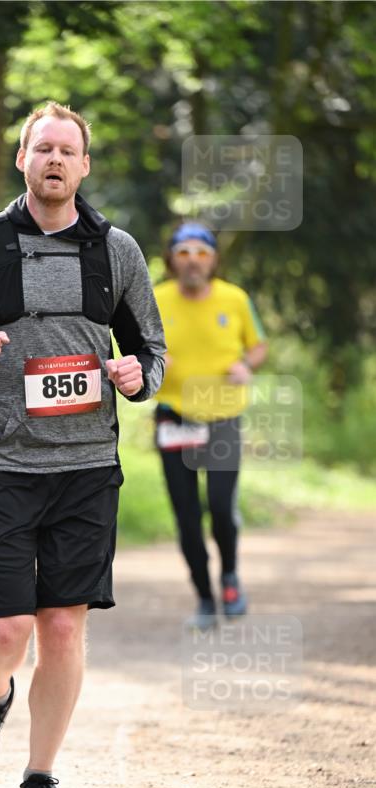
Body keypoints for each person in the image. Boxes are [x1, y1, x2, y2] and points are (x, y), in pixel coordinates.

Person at [0, 101, 166, 788]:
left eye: (67, 150)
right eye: (41, 149)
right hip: (1, 464)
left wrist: (136, 379)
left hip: (86, 469)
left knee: (61, 628)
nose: (54, 160)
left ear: (84, 166)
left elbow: (151, 350)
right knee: (5, 632)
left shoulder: (115, 251)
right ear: (21, 160)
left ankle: (40, 779)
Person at [153, 222, 268, 629]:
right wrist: (153, 361)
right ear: (172, 260)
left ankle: (231, 577)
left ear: (213, 259)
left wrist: (246, 364)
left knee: (220, 506)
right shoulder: (155, 298)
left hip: (221, 415)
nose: (193, 261)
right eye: (184, 253)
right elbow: (135, 347)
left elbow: (258, 345)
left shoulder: (235, 299)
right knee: (186, 516)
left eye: (201, 253)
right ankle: (204, 598)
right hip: (173, 415)